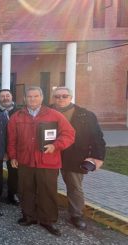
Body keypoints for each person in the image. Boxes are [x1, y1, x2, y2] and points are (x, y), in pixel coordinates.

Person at [7, 86, 75, 236]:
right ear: (25, 98)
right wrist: (13, 156)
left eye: (36, 96)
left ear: (42, 98)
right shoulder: (17, 117)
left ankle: (47, 220)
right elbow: (11, 140)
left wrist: (55, 145)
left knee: (47, 191)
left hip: (48, 161)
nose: (32, 99)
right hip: (25, 161)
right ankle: (29, 216)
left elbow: (69, 134)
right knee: (26, 190)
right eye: (29, 96)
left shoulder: (54, 115)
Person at [51, 87, 106, 230]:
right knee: (47, 184)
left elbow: (97, 137)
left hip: (74, 156)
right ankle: (47, 210)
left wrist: (98, 157)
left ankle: (76, 215)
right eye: (57, 96)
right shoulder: (46, 111)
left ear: (71, 97)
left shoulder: (85, 115)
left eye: (64, 96)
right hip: (50, 154)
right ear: (53, 98)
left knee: (75, 187)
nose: (61, 99)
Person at [0, 89, 20, 205]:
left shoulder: (20, 111)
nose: (5, 98)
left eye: (7, 95)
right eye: (2, 96)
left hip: (14, 146)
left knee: (14, 172)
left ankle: (12, 194)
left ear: (11, 97)